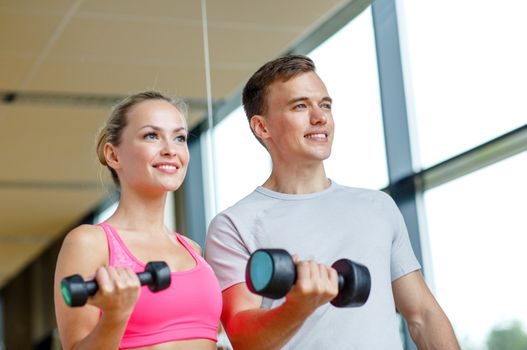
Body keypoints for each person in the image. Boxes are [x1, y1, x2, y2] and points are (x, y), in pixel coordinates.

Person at [205, 55, 460, 349]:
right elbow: (243, 338)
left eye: (324, 105)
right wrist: (298, 307)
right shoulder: (234, 224)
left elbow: (423, 316)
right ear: (262, 127)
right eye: (300, 106)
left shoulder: (377, 207)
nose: (320, 117)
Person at [54, 91, 222, 350]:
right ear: (113, 155)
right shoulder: (90, 242)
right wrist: (115, 315)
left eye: (179, 138)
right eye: (151, 136)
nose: (170, 150)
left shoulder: (193, 250)